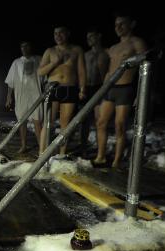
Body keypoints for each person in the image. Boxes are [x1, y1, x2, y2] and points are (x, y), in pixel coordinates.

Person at [93, 13, 147, 168]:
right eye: (116, 24)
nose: (118, 27)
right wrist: (102, 91)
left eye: (122, 24)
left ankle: (116, 161)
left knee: (119, 125)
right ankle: (101, 157)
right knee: (101, 122)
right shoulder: (114, 47)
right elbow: (110, 70)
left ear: (132, 24)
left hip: (125, 88)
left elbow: (147, 67)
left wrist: (141, 93)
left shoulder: (137, 43)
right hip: (110, 88)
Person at [38, 26, 86, 156]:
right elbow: (40, 72)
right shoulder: (50, 51)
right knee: (48, 122)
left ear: (68, 34)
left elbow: (81, 71)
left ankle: (61, 153)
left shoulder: (76, 50)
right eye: (55, 33)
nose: (58, 36)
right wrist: (54, 63)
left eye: (61, 33)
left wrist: (82, 89)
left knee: (65, 123)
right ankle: (42, 152)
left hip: (70, 88)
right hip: (53, 88)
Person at [5, 41, 43, 153]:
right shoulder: (16, 62)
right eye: (22, 46)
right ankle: (23, 146)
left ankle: (41, 148)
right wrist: (8, 97)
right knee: (22, 121)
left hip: (35, 94)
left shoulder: (39, 59)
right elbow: (10, 81)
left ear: (31, 47)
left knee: (37, 121)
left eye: (27, 46)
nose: (24, 48)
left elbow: (46, 76)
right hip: (21, 95)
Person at [80, 27, 109, 148]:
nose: (89, 39)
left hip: (100, 88)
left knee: (99, 120)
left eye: (91, 37)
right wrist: (81, 89)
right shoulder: (85, 55)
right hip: (87, 88)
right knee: (84, 120)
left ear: (99, 36)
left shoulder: (106, 52)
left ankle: (99, 148)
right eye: (87, 37)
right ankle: (83, 146)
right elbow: (81, 73)